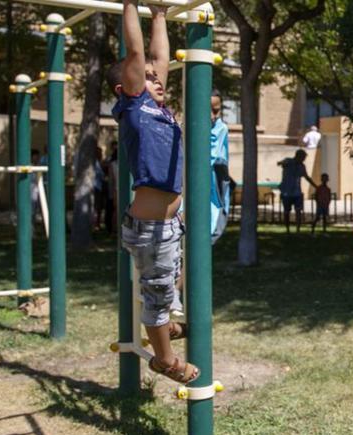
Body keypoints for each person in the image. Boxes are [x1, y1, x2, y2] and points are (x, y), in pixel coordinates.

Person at [107, 0, 196, 383]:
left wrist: (159, 13)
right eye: (146, 77)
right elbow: (139, 53)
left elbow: (159, 58)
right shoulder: (134, 106)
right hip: (150, 226)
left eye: (158, 79)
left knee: (170, 279)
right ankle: (164, 360)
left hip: (169, 222)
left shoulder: (158, 108)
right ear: (126, 84)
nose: (157, 80)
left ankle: (164, 331)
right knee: (158, 293)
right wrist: (131, 4)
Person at [210, 89, 231, 244]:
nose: (213, 115)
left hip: (215, 178)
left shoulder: (220, 128)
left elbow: (210, 155)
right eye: (208, 110)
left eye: (216, 111)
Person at [277, 149, 316, 233]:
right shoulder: (288, 161)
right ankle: (287, 230)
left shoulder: (302, 166)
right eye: (303, 157)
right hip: (286, 191)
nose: (304, 159)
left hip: (297, 192)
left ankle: (298, 229)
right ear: (299, 156)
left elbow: (306, 177)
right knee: (287, 211)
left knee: (298, 211)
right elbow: (280, 163)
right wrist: (282, 163)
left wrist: (315, 186)